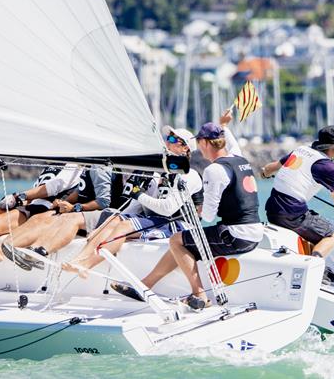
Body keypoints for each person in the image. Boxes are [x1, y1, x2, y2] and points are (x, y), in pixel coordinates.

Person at [112, 116, 263, 310]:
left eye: (199, 143)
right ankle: (145, 286)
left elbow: (208, 216)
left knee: (176, 240)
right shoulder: (239, 159)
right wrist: (224, 125)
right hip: (254, 232)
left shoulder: (214, 170)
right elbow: (232, 143)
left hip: (235, 236)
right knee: (182, 241)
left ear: (204, 142)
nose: (199, 148)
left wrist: (201, 208)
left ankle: (199, 294)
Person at [61, 126, 204, 276]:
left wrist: (138, 194)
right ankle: (78, 260)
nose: (167, 143)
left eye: (173, 140)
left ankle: (86, 265)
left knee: (124, 227)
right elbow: (139, 205)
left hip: (181, 226)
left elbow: (167, 209)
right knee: (115, 222)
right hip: (160, 221)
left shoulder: (190, 175)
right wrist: (107, 224)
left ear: (186, 149)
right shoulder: (163, 174)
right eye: (168, 139)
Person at [262, 125, 334, 283]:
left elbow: (270, 168)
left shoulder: (300, 150)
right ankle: (314, 268)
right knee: (331, 235)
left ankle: (317, 267)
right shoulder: (327, 167)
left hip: (272, 210)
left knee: (312, 233)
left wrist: (264, 172)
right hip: (292, 215)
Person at [0, 165, 112, 269]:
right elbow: (81, 190)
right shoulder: (89, 165)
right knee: (41, 216)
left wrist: (74, 207)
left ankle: (33, 253)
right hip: (79, 209)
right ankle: (12, 246)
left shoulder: (99, 168)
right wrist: (62, 203)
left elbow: (104, 202)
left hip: (91, 214)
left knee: (53, 219)